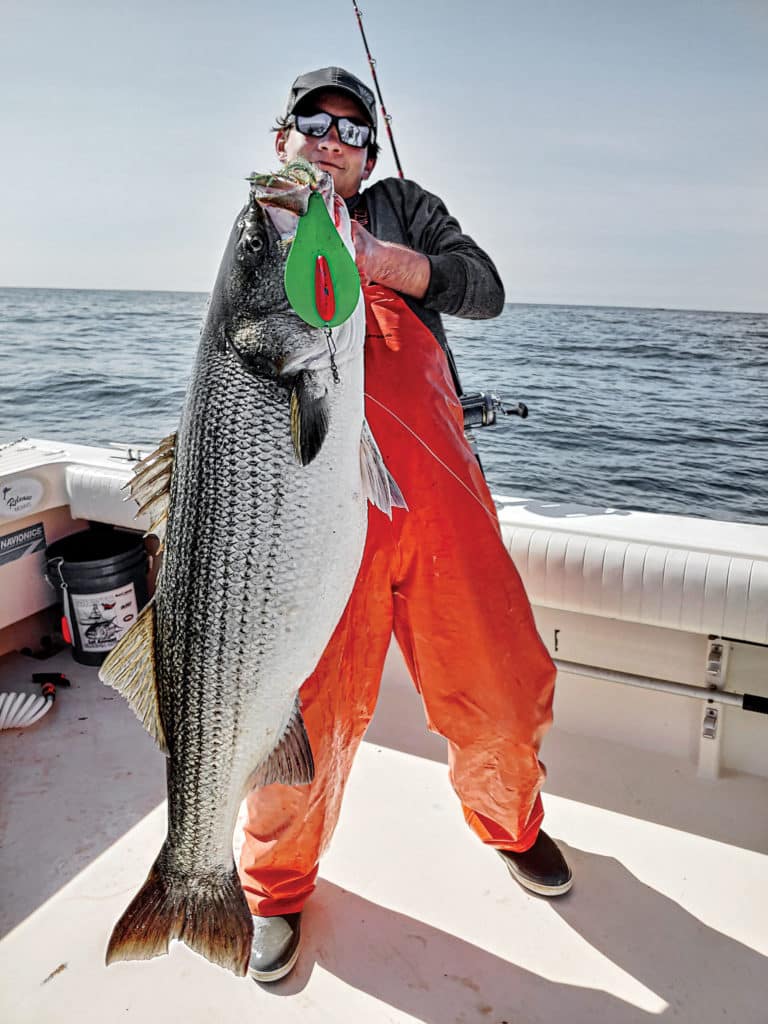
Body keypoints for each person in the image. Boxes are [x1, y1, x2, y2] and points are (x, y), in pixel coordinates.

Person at [240, 66, 572, 983]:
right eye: (314, 123)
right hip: (322, 505)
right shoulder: (263, 224)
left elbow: (484, 288)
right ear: (285, 139)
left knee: (499, 688)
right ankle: (273, 884)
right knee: (304, 712)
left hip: (437, 498)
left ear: (371, 151)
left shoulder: (405, 206)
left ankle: (512, 822)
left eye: (351, 129)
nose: (332, 139)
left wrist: (382, 262)